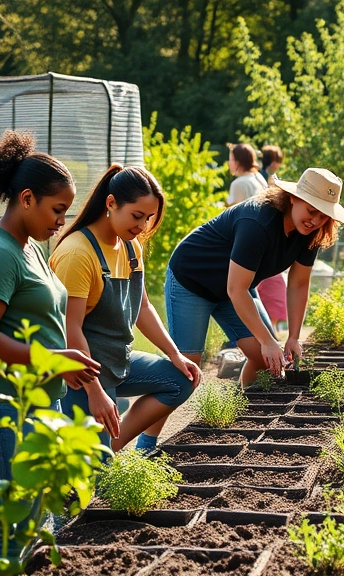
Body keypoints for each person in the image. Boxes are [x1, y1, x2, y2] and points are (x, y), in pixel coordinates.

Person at [0, 130, 101, 575]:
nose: (63, 220)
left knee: (29, 513)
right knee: (9, 520)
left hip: (33, 399)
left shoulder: (31, 249)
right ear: (25, 198)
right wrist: (50, 360)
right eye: (57, 209)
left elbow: (40, 322)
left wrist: (65, 366)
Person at [49, 165, 201, 451]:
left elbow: (142, 307)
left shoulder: (131, 248)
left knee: (181, 379)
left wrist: (175, 354)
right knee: (88, 478)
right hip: (82, 373)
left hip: (118, 361)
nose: (143, 226)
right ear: (111, 203)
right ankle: (99, 454)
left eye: (149, 218)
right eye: (137, 216)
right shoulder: (77, 253)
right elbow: (70, 329)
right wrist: (94, 391)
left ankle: (109, 446)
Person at [165, 168, 344, 384]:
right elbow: (237, 289)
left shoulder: (310, 233)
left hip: (235, 289)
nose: (316, 220)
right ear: (293, 198)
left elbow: (298, 284)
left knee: (266, 360)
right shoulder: (257, 222)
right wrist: (267, 341)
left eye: (323, 215)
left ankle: (242, 409)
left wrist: (293, 337)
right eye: (311, 211)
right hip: (192, 280)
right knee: (187, 370)